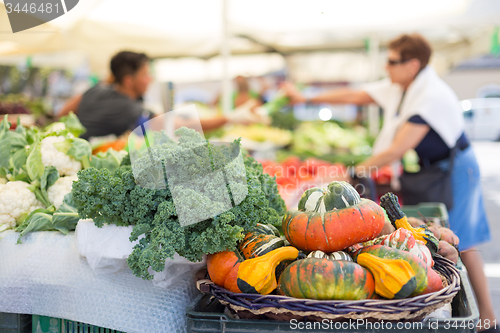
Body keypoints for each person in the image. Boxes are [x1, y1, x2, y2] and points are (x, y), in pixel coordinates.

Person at [283, 33, 497, 332]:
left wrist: (354, 169)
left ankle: (486, 319)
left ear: (412, 64)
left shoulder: (429, 95)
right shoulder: (406, 85)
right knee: (456, 240)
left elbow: (397, 148)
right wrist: (306, 97)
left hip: (456, 169)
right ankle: (483, 316)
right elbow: (359, 95)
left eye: (392, 62)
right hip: (435, 167)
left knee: (464, 240)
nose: (387, 68)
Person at [59, 52, 264, 140]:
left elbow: (63, 112)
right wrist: (230, 118)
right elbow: (173, 125)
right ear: (129, 81)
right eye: (145, 75)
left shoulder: (95, 90)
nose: (150, 79)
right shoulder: (129, 109)